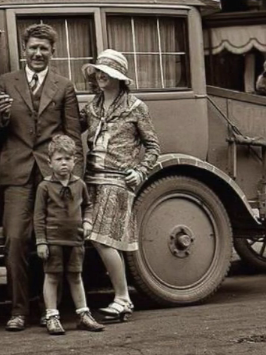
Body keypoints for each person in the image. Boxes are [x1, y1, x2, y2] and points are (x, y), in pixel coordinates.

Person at [0, 23, 83, 331]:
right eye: (33, 48)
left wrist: (74, 180)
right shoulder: (5, 82)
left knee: (53, 243)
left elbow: (72, 134)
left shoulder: (64, 86)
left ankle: (50, 310)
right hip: (16, 174)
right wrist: (1, 115)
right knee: (15, 241)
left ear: (52, 52)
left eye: (44, 48)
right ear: (23, 51)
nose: (38, 53)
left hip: (54, 178)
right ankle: (18, 310)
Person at [80, 49, 160, 321]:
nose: (101, 76)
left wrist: (140, 171)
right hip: (92, 179)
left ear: (119, 78)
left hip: (117, 180)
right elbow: (69, 127)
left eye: (107, 73)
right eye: (99, 72)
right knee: (94, 238)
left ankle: (123, 299)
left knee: (103, 240)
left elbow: (153, 147)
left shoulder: (136, 107)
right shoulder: (92, 107)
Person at [34, 134, 104, 335]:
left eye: (68, 159)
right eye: (59, 159)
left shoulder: (79, 184)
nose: (63, 163)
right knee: (52, 276)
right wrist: (41, 241)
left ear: (74, 161)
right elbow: (38, 216)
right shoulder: (45, 187)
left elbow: (88, 206)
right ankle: (52, 316)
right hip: (54, 239)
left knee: (75, 276)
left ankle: (83, 314)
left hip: (75, 239)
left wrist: (87, 221)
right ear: (50, 162)